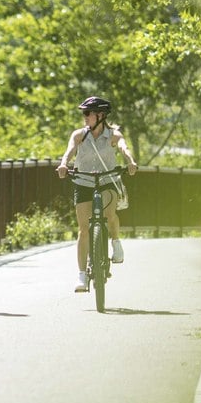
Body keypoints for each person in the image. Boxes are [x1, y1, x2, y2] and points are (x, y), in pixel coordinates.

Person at [55, 96, 139, 292]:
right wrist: (63, 165)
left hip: (107, 180)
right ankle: (82, 276)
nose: (84, 117)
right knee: (84, 229)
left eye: (87, 113)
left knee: (110, 215)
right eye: (84, 113)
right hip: (83, 181)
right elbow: (69, 152)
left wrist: (130, 162)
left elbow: (124, 149)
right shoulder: (79, 135)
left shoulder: (113, 135)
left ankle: (116, 242)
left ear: (100, 116)